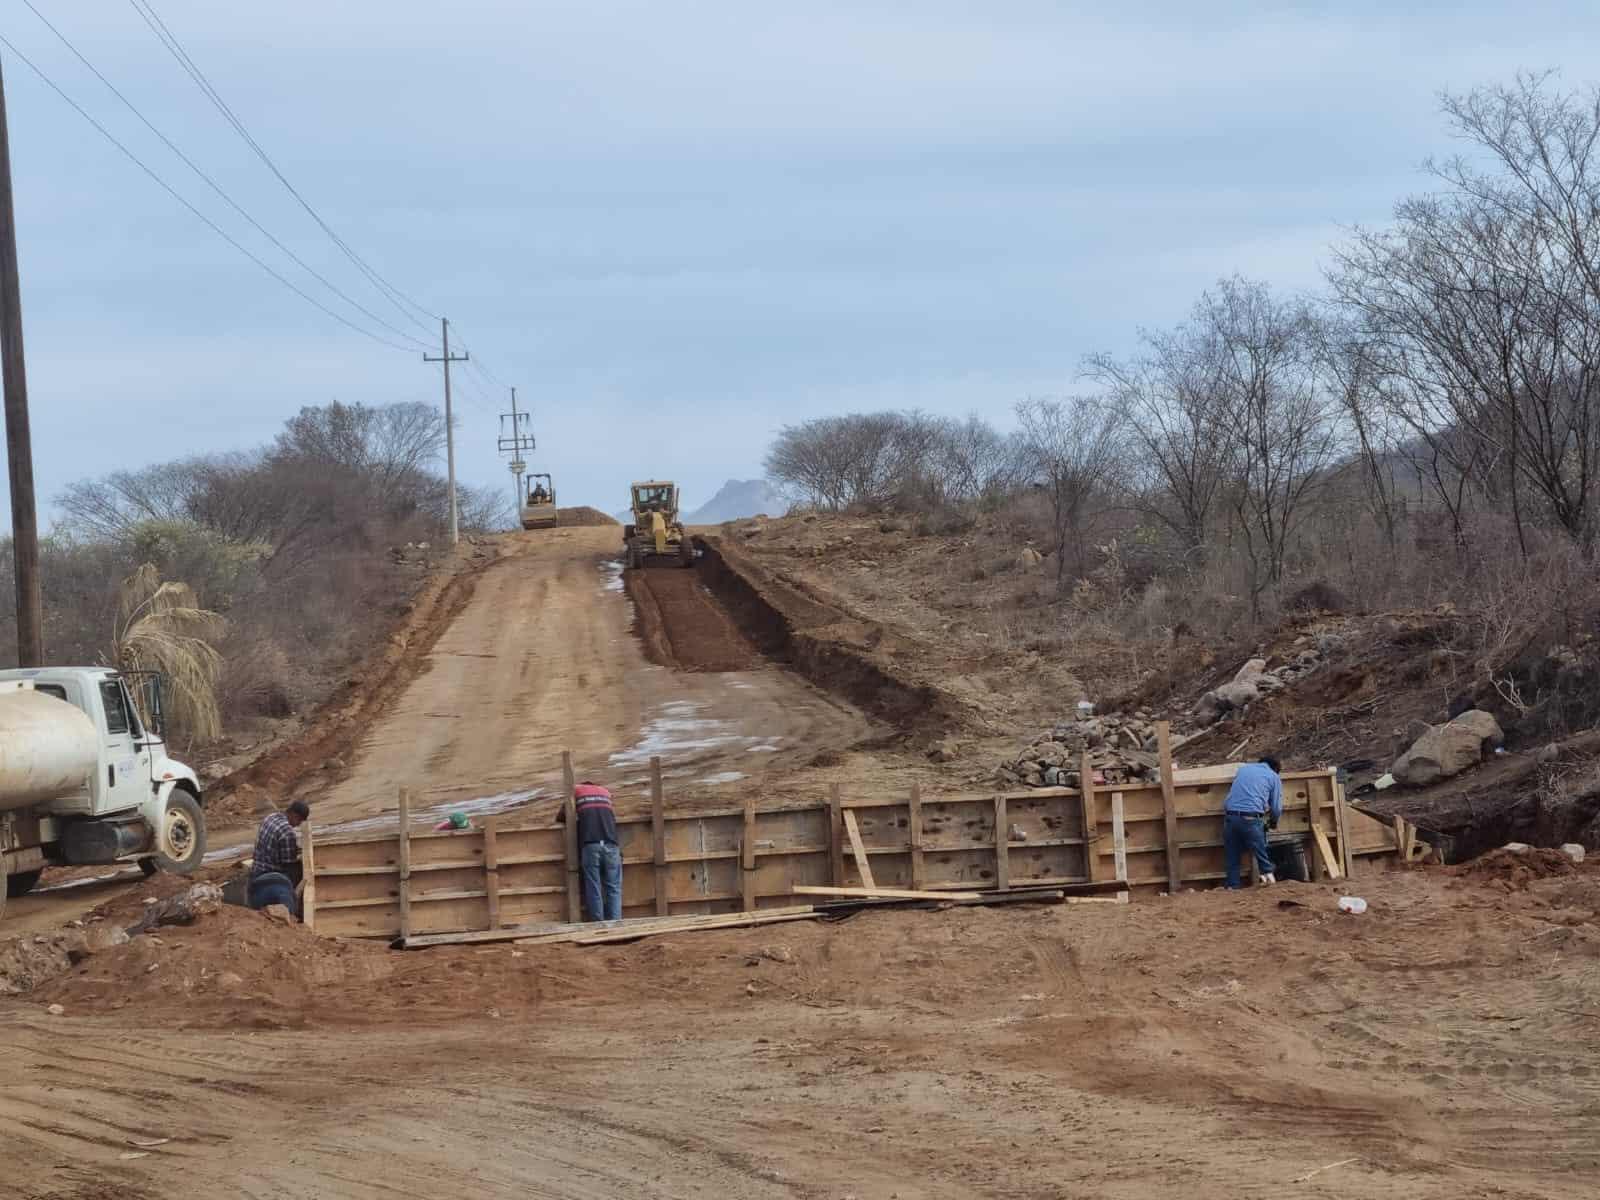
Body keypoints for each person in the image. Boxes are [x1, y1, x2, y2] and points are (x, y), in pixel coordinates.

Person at [561, 780, 621, 921]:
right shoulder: (606, 792)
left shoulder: (575, 790)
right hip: (611, 844)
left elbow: (561, 816)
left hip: (591, 844)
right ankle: (616, 923)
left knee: (593, 887)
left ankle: (598, 923)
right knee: (614, 888)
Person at [1223, 757, 1283, 888]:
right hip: (1250, 818)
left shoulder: (1243, 770)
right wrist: (1273, 822)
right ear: (1276, 769)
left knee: (1232, 856)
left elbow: (1232, 796)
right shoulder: (1273, 776)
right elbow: (1276, 807)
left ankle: (1232, 888)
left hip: (1230, 817)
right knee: (1261, 853)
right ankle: (1271, 883)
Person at [248, 800, 309, 916]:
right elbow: (289, 864)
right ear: (294, 815)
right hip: (272, 881)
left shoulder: (270, 817)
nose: (298, 825)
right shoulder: (287, 831)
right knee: (297, 871)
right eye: (299, 821)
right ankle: (295, 911)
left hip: (255, 873)